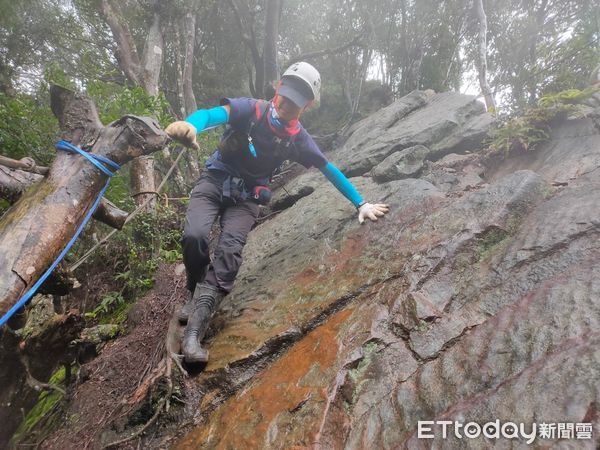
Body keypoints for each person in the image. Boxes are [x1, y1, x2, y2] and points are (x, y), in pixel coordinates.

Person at [165, 62, 389, 364]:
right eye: (285, 96)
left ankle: (194, 333)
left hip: (247, 198)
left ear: (307, 105)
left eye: (296, 102)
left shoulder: (298, 139)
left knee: (229, 252)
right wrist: (191, 124)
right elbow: (212, 115)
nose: (286, 105)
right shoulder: (252, 109)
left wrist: (361, 203)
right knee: (194, 236)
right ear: (278, 88)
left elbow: (329, 169)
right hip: (215, 179)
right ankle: (193, 292)